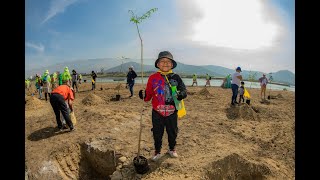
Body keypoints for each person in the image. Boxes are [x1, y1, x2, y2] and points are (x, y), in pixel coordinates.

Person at [138, 51, 187, 162]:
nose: (165, 63)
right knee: (157, 132)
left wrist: (181, 94)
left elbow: (184, 90)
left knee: (172, 131)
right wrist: (143, 95)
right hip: (157, 112)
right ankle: (157, 151)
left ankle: (172, 149)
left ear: (172, 64)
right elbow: (148, 96)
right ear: (158, 64)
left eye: (168, 61)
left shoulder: (176, 77)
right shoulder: (152, 78)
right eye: (162, 61)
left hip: (172, 111)